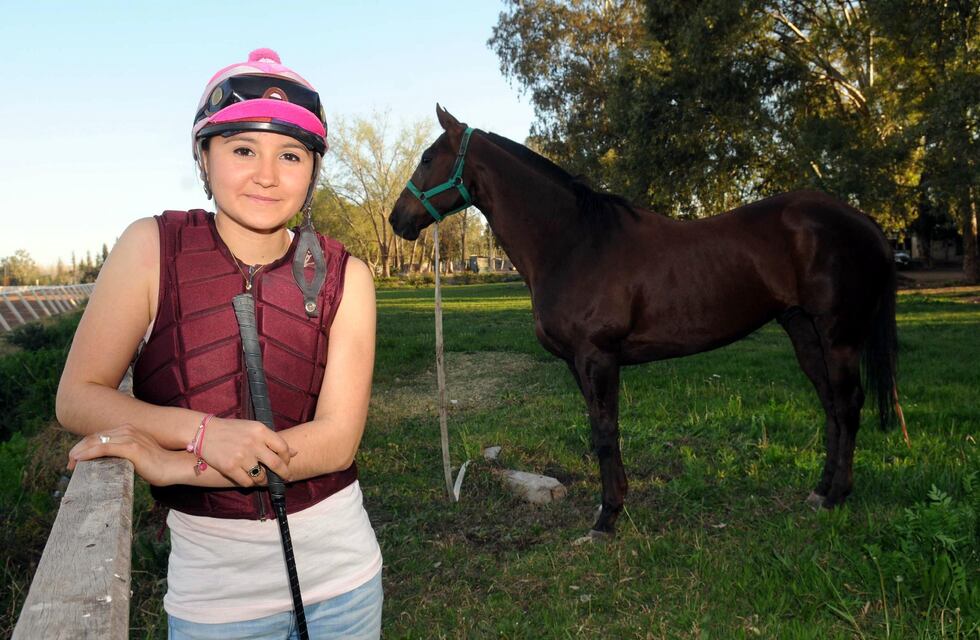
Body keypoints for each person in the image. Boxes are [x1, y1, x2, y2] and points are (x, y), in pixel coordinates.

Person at [56, 48, 382, 639]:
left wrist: (177, 465)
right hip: (216, 602)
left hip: (344, 584)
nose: (267, 174)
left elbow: (335, 442)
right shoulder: (150, 249)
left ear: (312, 170)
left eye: (291, 154)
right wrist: (201, 432)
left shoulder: (346, 276)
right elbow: (78, 396)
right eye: (242, 149)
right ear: (203, 157)